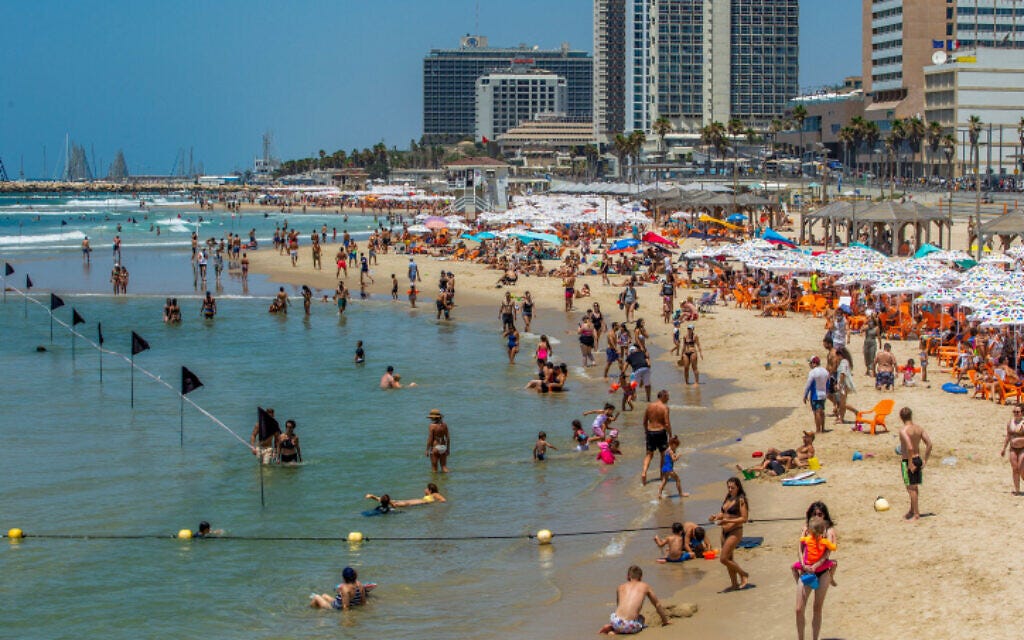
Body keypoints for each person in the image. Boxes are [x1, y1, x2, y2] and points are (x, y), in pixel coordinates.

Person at [794, 502, 839, 640]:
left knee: (817, 608)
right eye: (814, 514)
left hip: (822, 572)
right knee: (799, 609)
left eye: (820, 514)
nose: (817, 516)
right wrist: (803, 564)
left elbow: (827, 553)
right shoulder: (807, 529)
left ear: (825, 515)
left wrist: (816, 565)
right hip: (806, 572)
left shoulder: (829, 531)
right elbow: (800, 548)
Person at [597, 565, 670, 635]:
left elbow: (619, 605)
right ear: (641, 577)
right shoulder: (645, 586)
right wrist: (665, 621)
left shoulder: (620, 587)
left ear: (628, 576)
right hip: (629, 626)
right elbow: (657, 604)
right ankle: (615, 632)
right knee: (641, 618)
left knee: (621, 617)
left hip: (615, 621)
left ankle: (614, 628)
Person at [708, 477, 750, 591]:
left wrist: (728, 521)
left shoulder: (741, 500)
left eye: (732, 487)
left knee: (723, 558)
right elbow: (723, 513)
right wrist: (715, 517)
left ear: (738, 487)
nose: (730, 489)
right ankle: (734, 584)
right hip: (724, 532)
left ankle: (743, 574)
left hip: (735, 531)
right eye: (729, 487)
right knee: (729, 559)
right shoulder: (728, 497)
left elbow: (744, 518)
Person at [898, 407, 933, 521]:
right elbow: (929, 444)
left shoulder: (903, 431)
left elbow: (909, 447)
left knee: (911, 489)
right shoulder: (919, 428)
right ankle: (912, 510)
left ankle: (916, 514)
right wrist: (925, 460)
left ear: (901, 417)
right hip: (918, 459)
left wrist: (910, 463)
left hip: (908, 460)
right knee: (914, 487)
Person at [641, 390, 672, 486]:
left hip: (650, 432)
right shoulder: (665, 408)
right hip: (660, 432)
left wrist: (646, 431)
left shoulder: (649, 406)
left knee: (649, 454)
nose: (668, 399)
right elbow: (667, 423)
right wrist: (670, 435)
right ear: (663, 396)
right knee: (663, 454)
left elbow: (644, 421)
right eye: (667, 397)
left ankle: (644, 472)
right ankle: (662, 475)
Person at [310, 566, 376, 611]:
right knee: (324, 595)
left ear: (344, 578)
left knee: (316, 597)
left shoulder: (345, 589)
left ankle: (311, 611)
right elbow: (363, 601)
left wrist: (346, 621)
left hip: (334, 608)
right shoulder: (359, 584)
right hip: (338, 602)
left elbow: (345, 607)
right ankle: (319, 611)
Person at [1000, 406, 1024, 495]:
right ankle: (1017, 490)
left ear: (1022, 413)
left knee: (1021, 469)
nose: (1015, 413)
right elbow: (1008, 436)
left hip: (1022, 448)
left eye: (1017, 412)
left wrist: (1019, 439)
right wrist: (1004, 448)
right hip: (1013, 448)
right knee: (1015, 469)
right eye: (1014, 411)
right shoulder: (1010, 422)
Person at [803, 356, 829, 434]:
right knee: (822, 411)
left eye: (810, 363)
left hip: (815, 395)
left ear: (814, 363)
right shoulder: (825, 371)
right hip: (823, 394)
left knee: (816, 412)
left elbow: (808, 384)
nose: (810, 365)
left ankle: (818, 429)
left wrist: (805, 395)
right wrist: (827, 392)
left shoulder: (813, 372)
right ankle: (823, 428)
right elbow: (828, 383)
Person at [365, 483, 446, 507]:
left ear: (430, 490)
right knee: (395, 502)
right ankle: (375, 497)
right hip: (415, 501)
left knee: (397, 503)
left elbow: (443, 500)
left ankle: (373, 497)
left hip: (416, 502)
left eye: (426, 488)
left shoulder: (435, 494)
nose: (425, 489)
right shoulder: (431, 496)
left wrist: (436, 504)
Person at [834, 346, 857, 424]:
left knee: (843, 403)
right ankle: (841, 418)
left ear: (839, 355)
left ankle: (855, 411)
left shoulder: (843, 362)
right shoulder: (845, 361)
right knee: (842, 403)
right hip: (844, 384)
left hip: (843, 385)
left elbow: (842, 374)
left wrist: (839, 384)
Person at [426, 408, 450, 473]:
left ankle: (435, 479)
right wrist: (448, 449)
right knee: (444, 467)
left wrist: (427, 450)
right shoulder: (444, 425)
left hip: (435, 448)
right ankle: (450, 477)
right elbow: (448, 438)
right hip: (443, 447)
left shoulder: (432, 426)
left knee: (434, 469)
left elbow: (430, 439)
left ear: (433, 418)